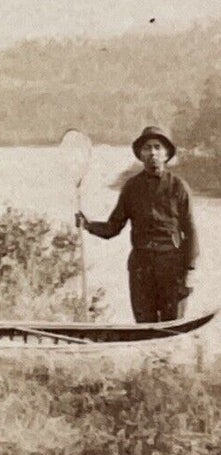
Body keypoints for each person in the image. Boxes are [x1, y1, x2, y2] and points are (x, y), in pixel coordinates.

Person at [76, 125, 197, 324]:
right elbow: (113, 228)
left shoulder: (179, 187)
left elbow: (191, 231)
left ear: (166, 154)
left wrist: (190, 270)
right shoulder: (131, 188)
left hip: (172, 267)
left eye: (158, 147)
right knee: (144, 324)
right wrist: (88, 225)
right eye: (147, 148)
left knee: (172, 325)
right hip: (141, 268)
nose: (153, 153)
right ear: (140, 154)